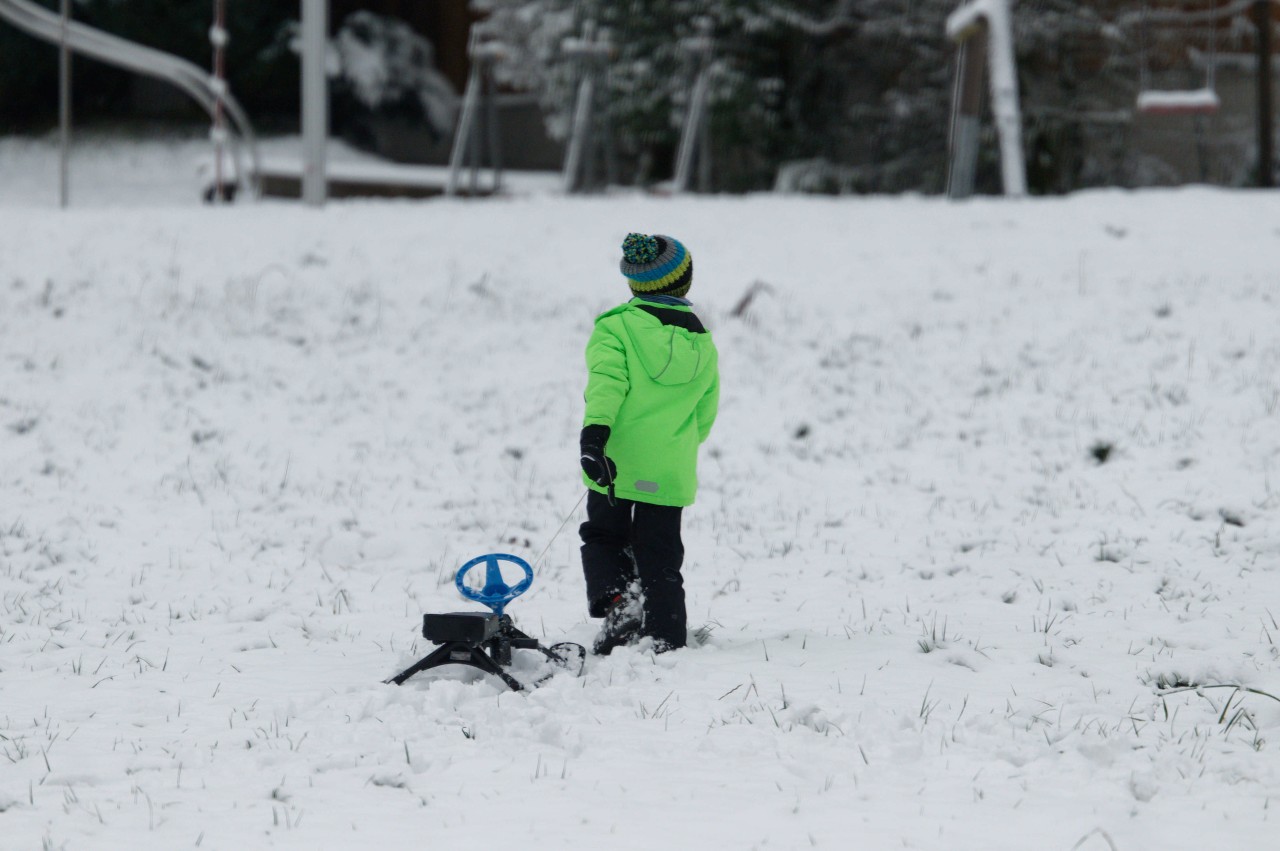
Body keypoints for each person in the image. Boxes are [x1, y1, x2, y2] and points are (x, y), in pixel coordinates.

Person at [578, 232, 720, 655]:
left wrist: (594, 436)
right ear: (684, 283)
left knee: (604, 535)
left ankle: (620, 604)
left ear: (634, 283)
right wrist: (677, 446)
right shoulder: (701, 340)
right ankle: (666, 631)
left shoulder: (616, 328)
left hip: (615, 462)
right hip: (669, 467)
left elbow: (607, 386)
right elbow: (705, 410)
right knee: (660, 552)